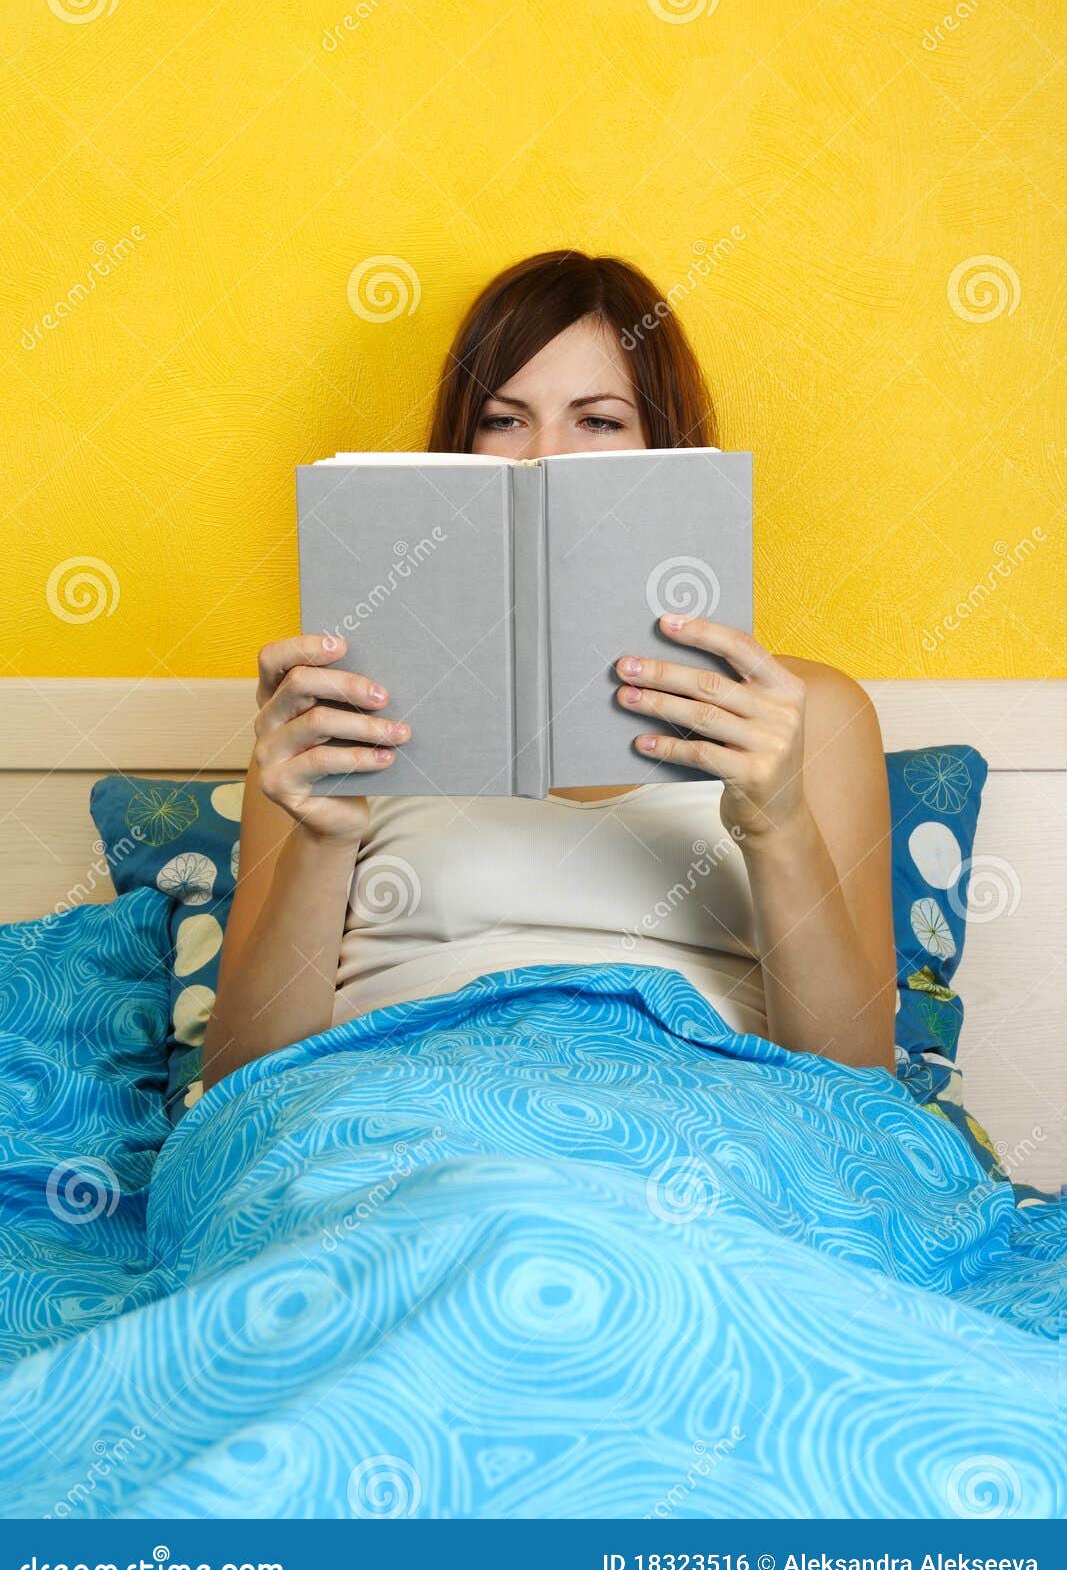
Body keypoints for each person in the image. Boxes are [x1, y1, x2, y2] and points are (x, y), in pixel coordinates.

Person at [202, 251, 895, 1090]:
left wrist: (776, 819)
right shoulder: (335, 713)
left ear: (665, 448)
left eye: (598, 421)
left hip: (708, 1133)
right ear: (458, 447)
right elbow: (240, 1077)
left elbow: (859, 1083)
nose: (544, 458)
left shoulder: (808, 715)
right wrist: (324, 835)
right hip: (394, 1121)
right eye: (503, 420)